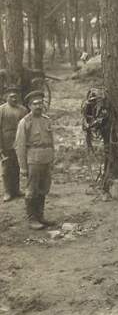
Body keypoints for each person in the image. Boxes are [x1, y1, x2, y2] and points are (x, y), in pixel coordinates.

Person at [15, 91, 55, 230]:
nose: (38, 106)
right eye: (35, 103)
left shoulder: (46, 120)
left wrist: (52, 158)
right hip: (33, 159)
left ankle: (40, 216)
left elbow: (51, 141)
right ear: (29, 106)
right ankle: (32, 219)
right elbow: (19, 146)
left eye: (40, 103)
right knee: (32, 190)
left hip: (46, 158)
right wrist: (23, 167)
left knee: (43, 188)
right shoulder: (25, 122)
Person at [0, 86, 28, 202]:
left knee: (17, 166)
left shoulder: (23, 110)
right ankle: (7, 191)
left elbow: (27, 128)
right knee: (7, 167)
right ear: (6, 97)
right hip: (6, 143)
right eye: (11, 96)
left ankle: (16, 190)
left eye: (16, 96)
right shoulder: (2, 110)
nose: (14, 99)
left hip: (19, 143)